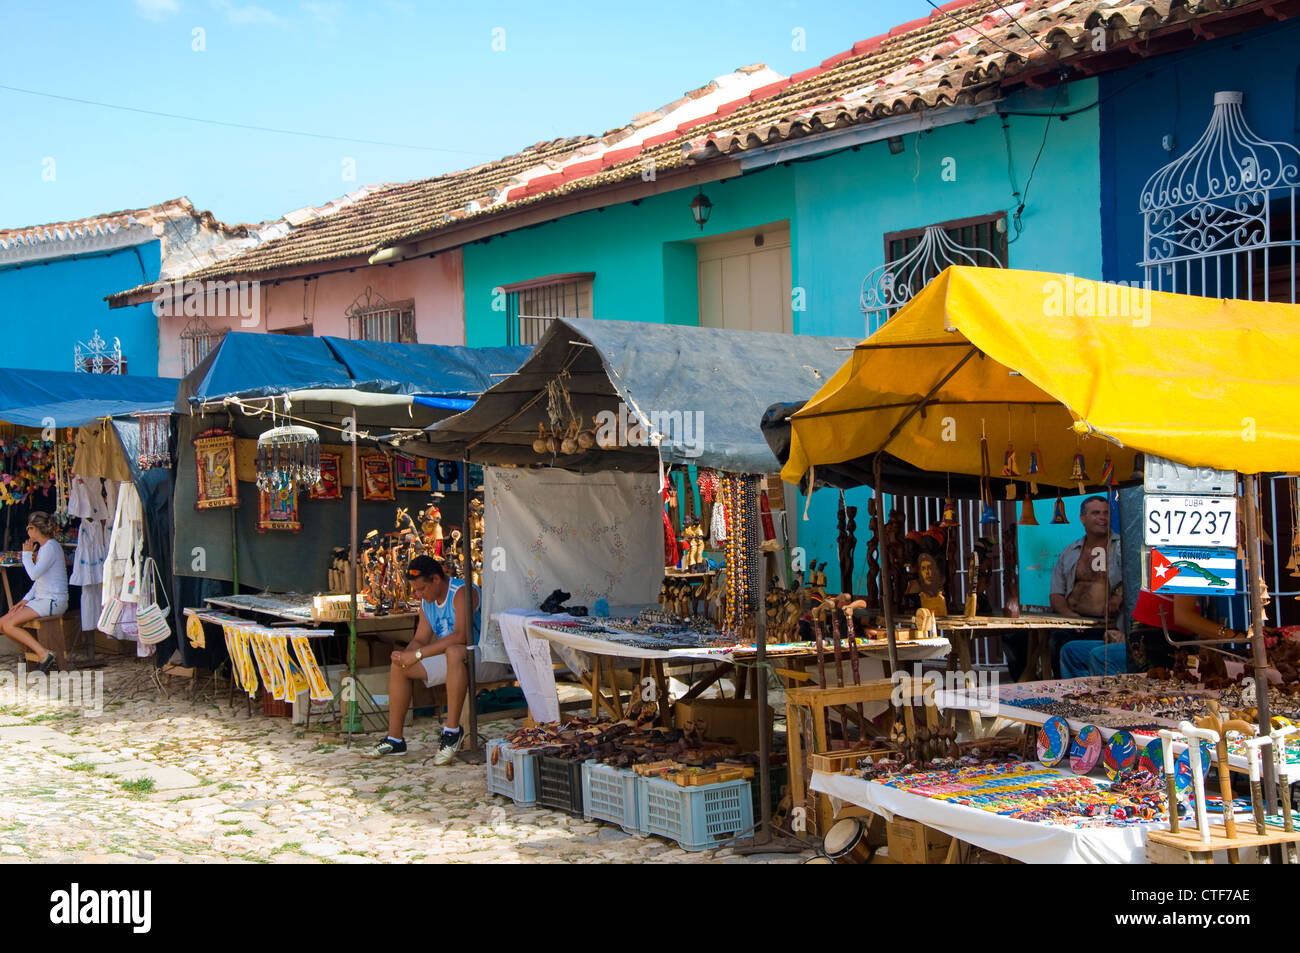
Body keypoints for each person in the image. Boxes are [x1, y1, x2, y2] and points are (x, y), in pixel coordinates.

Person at [363, 555, 480, 763]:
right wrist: (405, 655)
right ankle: (395, 739)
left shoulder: (462, 592)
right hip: (455, 661)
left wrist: (417, 655)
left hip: (482, 656)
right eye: (415, 590)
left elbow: (461, 636)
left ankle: (452, 731)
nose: (418, 594)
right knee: (399, 665)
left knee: (453, 650)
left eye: (421, 589)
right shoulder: (427, 603)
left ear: (436, 579)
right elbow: (420, 639)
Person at [1051, 496, 1124, 678]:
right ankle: (1067, 695)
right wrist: (1069, 617)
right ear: (1082, 518)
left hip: (1108, 626)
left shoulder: (1122, 547)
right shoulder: (1070, 551)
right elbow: (1056, 593)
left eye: (1106, 513)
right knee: (1047, 641)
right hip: (1074, 624)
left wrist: (1119, 595)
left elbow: (1136, 580)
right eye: (1096, 513)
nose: (1102, 517)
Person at [0, 512, 69, 673]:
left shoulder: (50, 547)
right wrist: (25, 600)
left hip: (52, 600)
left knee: (9, 625)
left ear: (33, 529)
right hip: (42, 599)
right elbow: (40, 580)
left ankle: (44, 654)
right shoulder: (46, 548)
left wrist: (26, 555)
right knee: (2, 624)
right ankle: (34, 651)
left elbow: (33, 575)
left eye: (28, 529)